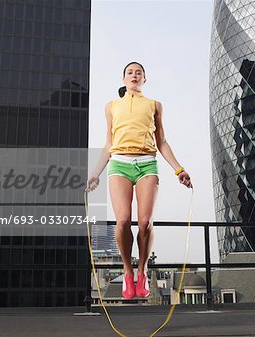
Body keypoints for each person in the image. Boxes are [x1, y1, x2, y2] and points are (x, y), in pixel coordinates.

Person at [86, 61, 192, 299]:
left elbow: (162, 142)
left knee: (145, 222)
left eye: (139, 73)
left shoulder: (154, 105)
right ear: (123, 79)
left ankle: (142, 270)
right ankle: (127, 271)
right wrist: (95, 173)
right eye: (130, 72)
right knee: (122, 221)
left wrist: (179, 170)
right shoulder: (111, 106)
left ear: (144, 79)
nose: (134, 75)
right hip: (120, 164)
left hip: (147, 163)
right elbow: (109, 144)